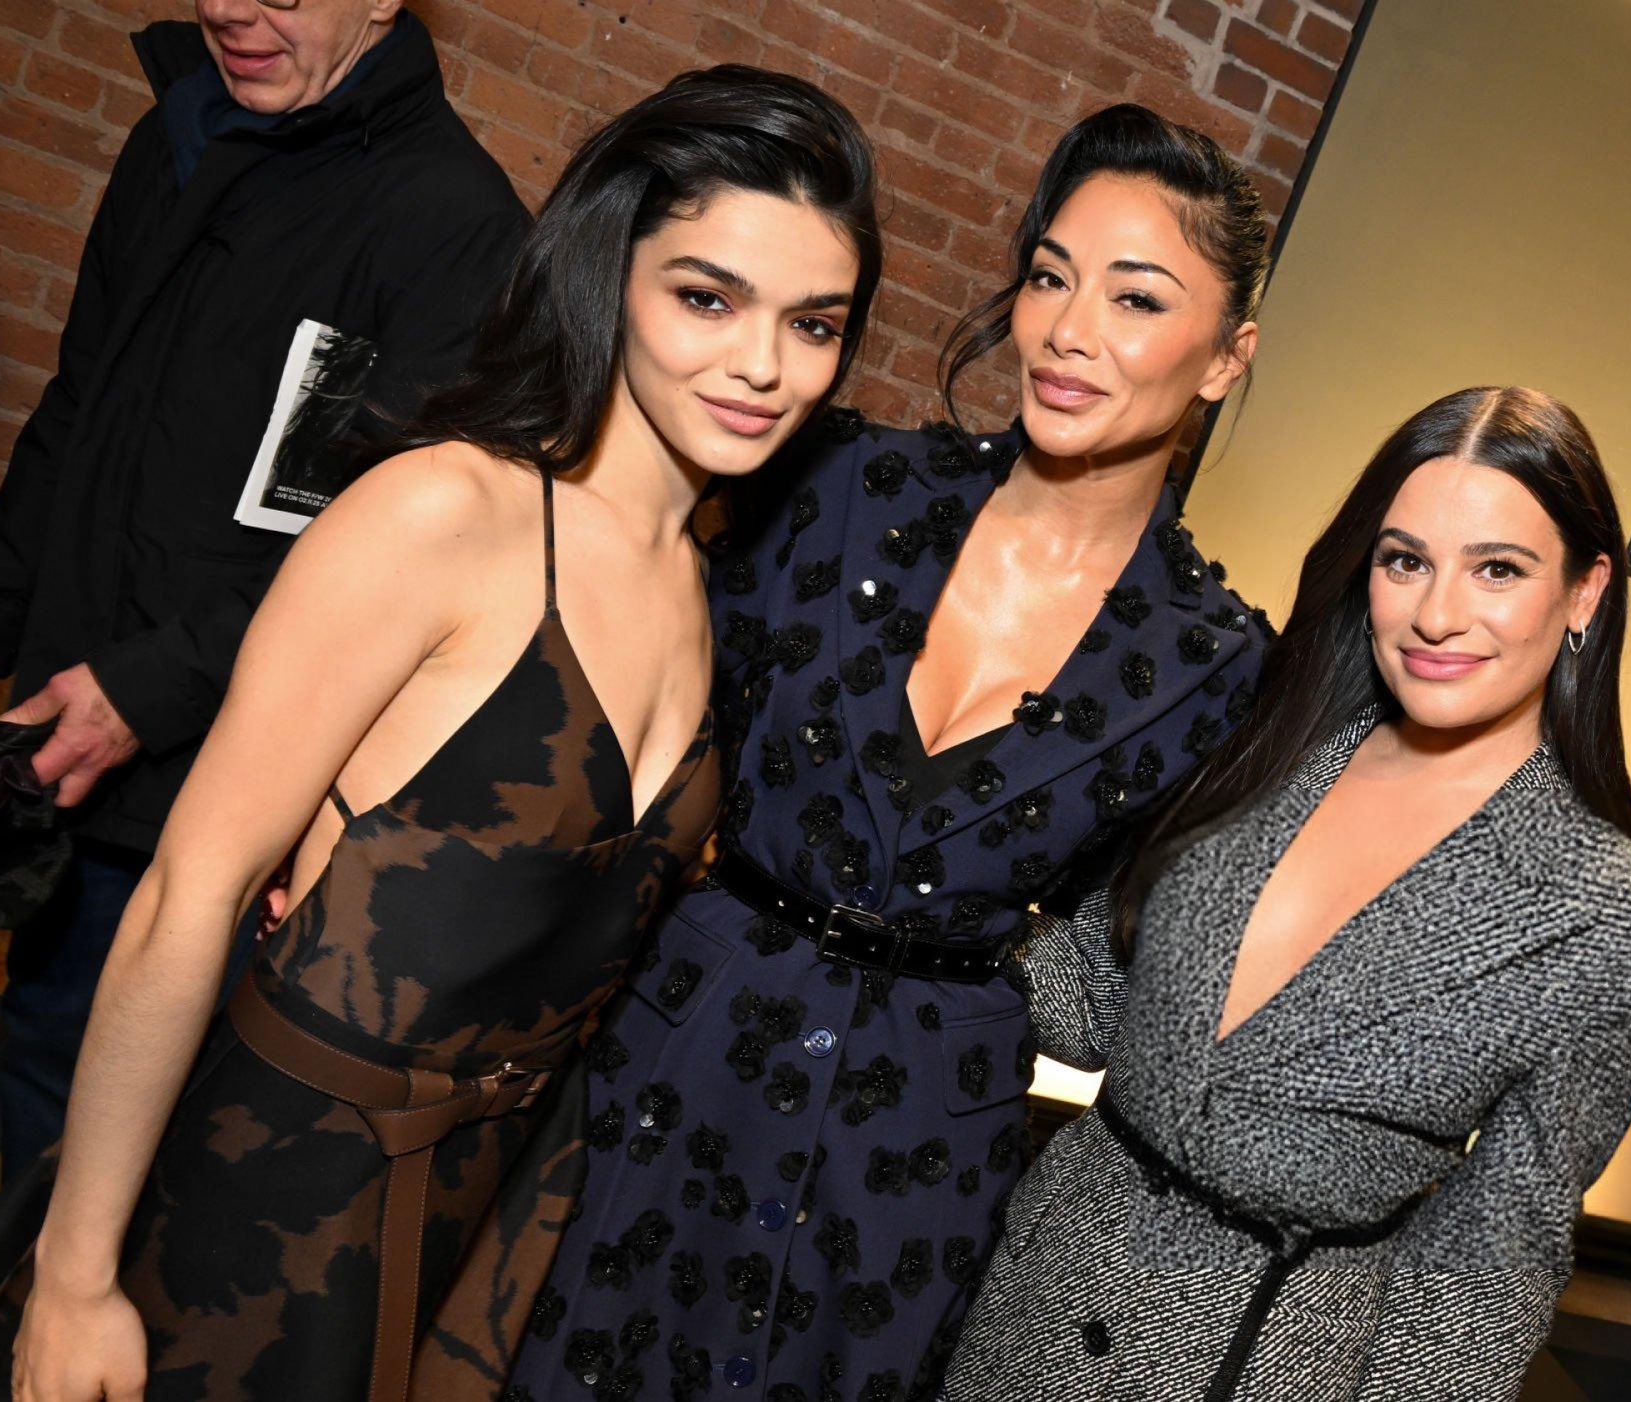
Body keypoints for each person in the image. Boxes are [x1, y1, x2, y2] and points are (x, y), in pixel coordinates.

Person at [0, 65, 882, 1402]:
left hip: (470, 1223)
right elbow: (187, 896)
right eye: (707, 298)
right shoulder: (446, 513)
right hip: (258, 1198)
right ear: (611, 275)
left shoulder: (704, 583)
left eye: (814, 322)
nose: (764, 365)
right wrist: (78, 1275)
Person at [507, 103, 1275, 1402]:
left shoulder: (1220, 664)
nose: (1068, 331)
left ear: (1224, 358)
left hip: (914, 1146)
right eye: (1050, 277)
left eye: (1137, 299)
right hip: (678, 1052)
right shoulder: (841, 484)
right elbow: (616, 678)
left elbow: (1142, 960)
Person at [944, 386, 1631, 1401]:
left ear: (1583, 593)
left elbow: (1486, 1268)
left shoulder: (1614, 930)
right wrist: (902, 915)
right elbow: (1091, 995)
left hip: (1258, 1366)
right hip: (1023, 1312)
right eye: (1405, 561)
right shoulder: (1263, 741)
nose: (1437, 614)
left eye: (1497, 569)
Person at [0, 0, 531, 1181]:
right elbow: (77, 404)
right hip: (72, 736)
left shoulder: (459, 228)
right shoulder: (178, 134)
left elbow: (379, 563)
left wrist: (145, 688)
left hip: (227, 778)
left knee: (149, 1141)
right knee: (43, 1079)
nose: (227, 9)